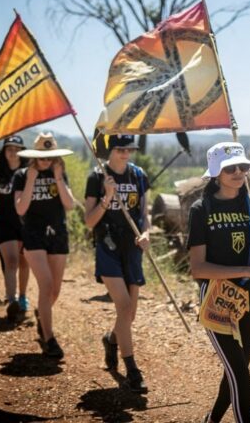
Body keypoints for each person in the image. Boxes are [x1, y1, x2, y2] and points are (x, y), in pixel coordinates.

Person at [187, 142, 250, 423]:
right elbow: (197, 268)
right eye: (230, 167)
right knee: (240, 374)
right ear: (216, 172)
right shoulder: (202, 209)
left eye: (243, 166)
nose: (238, 172)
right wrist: (246, 267)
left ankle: (211, 420)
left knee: (238, 369)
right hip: (216, 296)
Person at [84, 133, 150, 393]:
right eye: (120, 149)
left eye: (129, 149)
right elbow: (89, 221)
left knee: (129, 314)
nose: (125, 154)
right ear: (110, 150)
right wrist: (107, 196)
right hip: (107, 246)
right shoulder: (97, 177)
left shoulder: (138, 175)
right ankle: (132, 369)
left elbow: (144, 216)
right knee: (123, 306)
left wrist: (146, 234)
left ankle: (111, 340)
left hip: (132, 249)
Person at [15, 132, 75, 358]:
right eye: (42, 157)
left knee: (55, 290)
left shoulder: (59, 173)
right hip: (33, 234)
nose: (45, 161)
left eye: (50, 157)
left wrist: (59, 177)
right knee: (47, 285)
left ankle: (42, 316)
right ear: (34, 156)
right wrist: (31, 179)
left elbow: (69, 205)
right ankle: (49, 338)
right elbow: (20, 209)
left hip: (57, 233)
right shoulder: (22, 175)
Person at [0, 136, 31, 318]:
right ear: (4, 151)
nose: (13, 152)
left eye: (17, 148)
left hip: (25, 221)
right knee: (11, 261)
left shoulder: (28, 171)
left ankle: (23, 296)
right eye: (9, 148)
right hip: (3, 221)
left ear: (22, 150)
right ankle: (12, 301)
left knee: (24, 260)